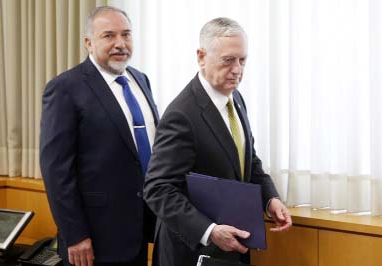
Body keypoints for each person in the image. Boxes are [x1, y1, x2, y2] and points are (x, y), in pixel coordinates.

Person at [143, 17, 292, 266]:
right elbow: (157, 189)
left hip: (233, 245)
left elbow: (247, 160)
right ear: (201, 56)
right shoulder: (182, 114)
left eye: (242, 60)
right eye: (228, 60)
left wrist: (270, 199)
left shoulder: (236, 99)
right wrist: (209, 230)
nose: (237, 69)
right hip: (191, 251)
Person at [40, 6, 159, 266]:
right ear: (88, 43)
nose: (120, 43)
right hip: (94, 239)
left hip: (141, 229)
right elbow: (56, 171)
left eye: (126, 35)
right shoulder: (65, 88)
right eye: (109, 36)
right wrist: (75, 235)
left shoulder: (141, 80)